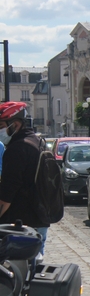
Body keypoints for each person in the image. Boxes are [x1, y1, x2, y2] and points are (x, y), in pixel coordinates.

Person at [0, 101, 49, 256]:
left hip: (20, 223)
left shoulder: (17, 149)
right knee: (34, 267)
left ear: (14, 125)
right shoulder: (38, 142)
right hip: (39, 217)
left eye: (1, 126)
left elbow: (8, 191)